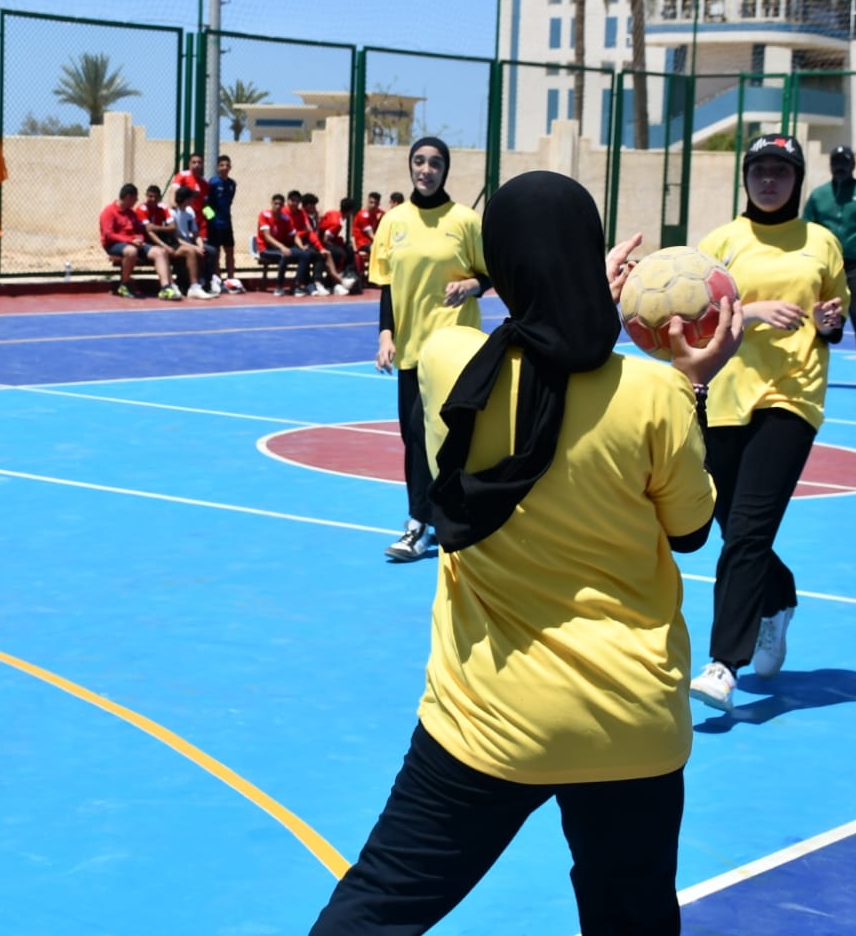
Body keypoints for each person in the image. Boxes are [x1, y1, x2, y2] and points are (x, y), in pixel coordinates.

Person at [310, 171, 743, 936]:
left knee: (376, 908)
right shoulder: (655, 395)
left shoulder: (450, 360)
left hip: (488, 720)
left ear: (502, 269)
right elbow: (689, 529)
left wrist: (553, 290)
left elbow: (513, 341)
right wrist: (691, 384)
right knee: (631, 919)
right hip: (629, 722)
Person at [691, 133, 849, 711]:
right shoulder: (721, 241)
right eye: (759, 170)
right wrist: (751, 311)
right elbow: (696, 312)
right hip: (723, 395)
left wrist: (829, 322)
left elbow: (833, 318)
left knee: (749, 532)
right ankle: (778, 598)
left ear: (797, 180)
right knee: (730, 526)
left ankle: (722, 664)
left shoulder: (821, 243)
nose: (769, 180)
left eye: (781, 171)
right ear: (746, 177)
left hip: (791, 397)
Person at [369, 138, 489, 561]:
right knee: (413, 437)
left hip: (453, 347)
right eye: (419, 161)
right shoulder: (393, 221)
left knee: (425, 432)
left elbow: (491, 273)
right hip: (410, 350)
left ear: (445, 170)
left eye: (435, 163)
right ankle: (442, 519)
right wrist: (386, 335)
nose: (426, 169)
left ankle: (417, 525)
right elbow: (387, 285)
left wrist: (471, 284)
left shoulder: (465, 220)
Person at [804, 145, 856, 395]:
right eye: (836, 162)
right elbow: (805, 231)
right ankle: (806, 371)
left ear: (853, 165)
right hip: (824, 266)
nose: (840, 167)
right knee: (814, 317)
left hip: (855, 265)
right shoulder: (818, 196)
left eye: (845, 162)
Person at [99, 183, 178, 300]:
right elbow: (109, 235)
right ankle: (124, 285)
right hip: (113, 245)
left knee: (160, 252)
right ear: (128, 197)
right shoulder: (109, 211)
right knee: (131, 251)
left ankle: (166, 288)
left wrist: (140, 239)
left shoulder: (131, 213)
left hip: (134, 243)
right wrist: (130, 240)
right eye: (135, 198)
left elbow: (139, 231)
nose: (136, 201)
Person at [149, 186, 214, 300]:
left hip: (188, 242)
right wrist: (194, 247)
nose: (194, 200)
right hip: (175, 243)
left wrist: (200, 246)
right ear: (186, 199)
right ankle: (193, 286)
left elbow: (196, 234)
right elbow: (175, 237)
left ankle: (205, 283)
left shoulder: (190, 212)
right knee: (191, 251)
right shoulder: (172, 213)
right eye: (191, 197)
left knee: (210, 251)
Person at [254, 192, 313, 296]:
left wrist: (301, 247)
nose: (278, 206)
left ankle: (296, 286)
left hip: (280, 248)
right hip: (266, 249)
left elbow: (294, 235)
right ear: (271, 204)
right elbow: (267, 237)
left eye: (280, 204)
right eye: (275, 203)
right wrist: (282, 247)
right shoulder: (264, 215)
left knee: (305, 254)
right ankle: (279, 287)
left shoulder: (285, 218)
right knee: (284, 255)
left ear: (283, 205)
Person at [205, 154, 243, 293]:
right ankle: (218, 280)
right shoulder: (213, 183)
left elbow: (229, 201)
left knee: (230, 251)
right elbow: (206, 204)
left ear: (230, 167)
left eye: (227, 165)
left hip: (227, 222)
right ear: (217, 168)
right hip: (215, 224)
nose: (225, 168)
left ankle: (231, 279)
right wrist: (212, 219)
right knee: (216, 253)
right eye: (222, 165)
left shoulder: (232, 184)